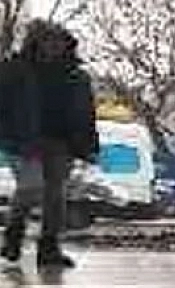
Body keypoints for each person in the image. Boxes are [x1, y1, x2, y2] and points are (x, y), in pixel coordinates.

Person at [0, 20, 98, 271]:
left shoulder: (77, 75)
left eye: (59, 42)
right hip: (23, 140)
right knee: (31, 186)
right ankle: (13, 236)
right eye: (48, 41)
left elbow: (86, 113)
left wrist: (88, 145)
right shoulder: (15, 70)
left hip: (61, 142)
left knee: (56, 196)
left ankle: (49, 247)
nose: (54, 47)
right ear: (36, 43)